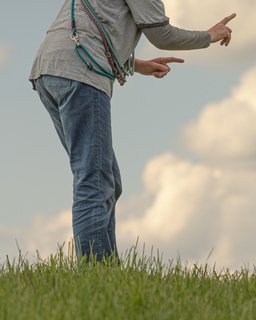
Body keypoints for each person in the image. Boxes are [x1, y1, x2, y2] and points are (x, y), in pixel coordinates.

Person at [29, 0, 236, 262]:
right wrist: (210, 35)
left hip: (50, 72)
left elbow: (94, 25)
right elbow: (162, 35)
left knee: (107, 180)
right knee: (93, 179)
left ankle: (106, 268)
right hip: (81, 72)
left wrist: (138, 65)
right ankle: (97, 274)